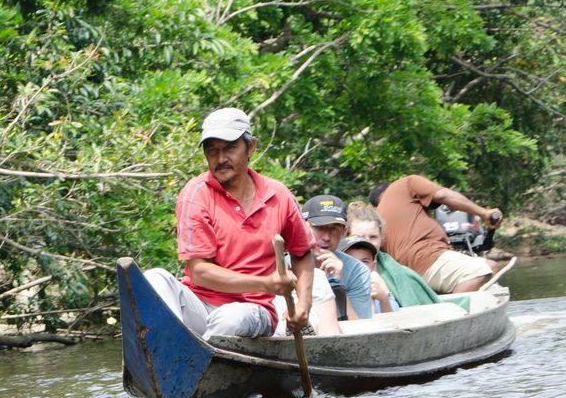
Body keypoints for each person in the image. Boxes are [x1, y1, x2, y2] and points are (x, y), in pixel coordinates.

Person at [141, 107, 318, 339]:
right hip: (201, 305)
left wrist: (303, 305)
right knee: (153, 279)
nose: (221, 159)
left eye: (230, 148)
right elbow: (200, 272)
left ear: (251, 147)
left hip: (251, 310)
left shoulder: (278, 195)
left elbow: (302, 252)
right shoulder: (195, 194)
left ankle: (198, 360)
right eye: (212, 151)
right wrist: (268, 283)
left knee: (230, 318)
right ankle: (171, 351)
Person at [370, 175, 504, 294]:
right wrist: (483, 213)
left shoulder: (377, 217)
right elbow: (443, 195)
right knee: (488, 268)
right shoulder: (407, 183)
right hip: (427, 257)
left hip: (405, 274)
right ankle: (454, 314)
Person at [302, 193, 372, 322]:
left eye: (334, 229)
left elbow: (361, 328)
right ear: (303, 227)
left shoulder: (357, 271)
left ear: (344, 232)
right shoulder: (283, 263)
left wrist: (337, 286)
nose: (327, 237)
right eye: (319, 228)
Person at [338, 231, 394, 313]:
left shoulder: (378, 289)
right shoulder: (333, 289)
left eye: (364, 261)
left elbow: (393, 321)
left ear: (373, 266)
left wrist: (384, 300)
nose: (358, 267)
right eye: (350, 261)